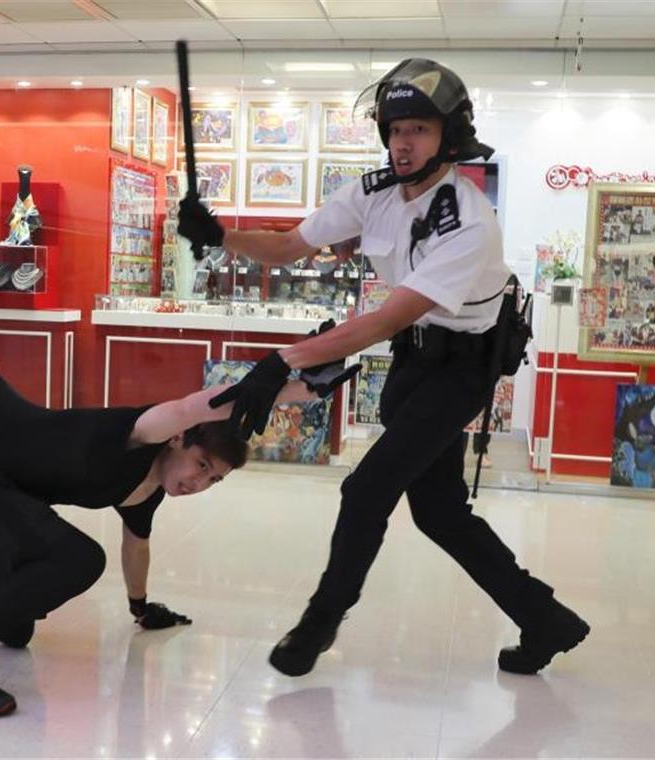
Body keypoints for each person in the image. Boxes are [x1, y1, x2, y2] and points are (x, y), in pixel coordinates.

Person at [177, 58, 589, 678]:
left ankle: (319, 622)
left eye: (418, 129)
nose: (402, 142)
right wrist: (221, 236)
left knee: (366, 488)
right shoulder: (373, 192)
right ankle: (547, 619)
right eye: (395, 128)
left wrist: (281, 359)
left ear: (449, 136)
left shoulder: (469, 220)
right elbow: (293, 244)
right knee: (440, 512)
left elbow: (382, 320)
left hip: (459, 372)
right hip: (414, 363)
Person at [0, 364, 353, 716]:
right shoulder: (140, 434)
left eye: (213, 482)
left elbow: (136, 545)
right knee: (80, 558)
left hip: (1, 502)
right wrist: (294, 389)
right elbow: (188, 406)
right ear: (181, 439)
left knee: (13, 625)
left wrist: (140, 608)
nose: (198, 484)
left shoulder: (146, 493)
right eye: (202, 467)